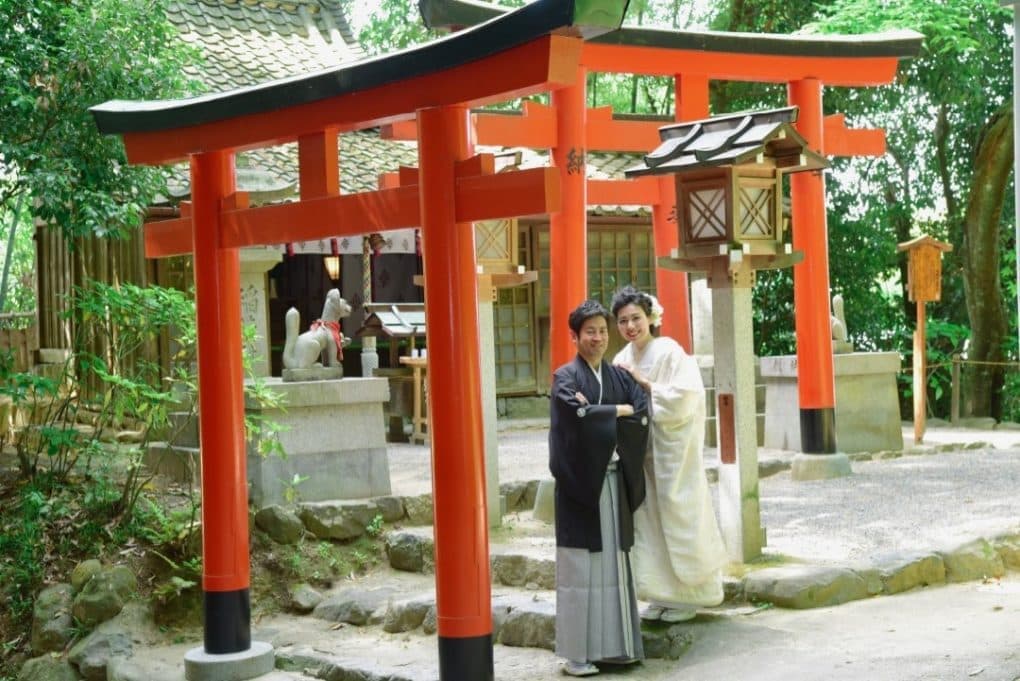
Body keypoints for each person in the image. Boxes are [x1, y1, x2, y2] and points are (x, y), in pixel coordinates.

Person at [610, 285, 728, 623]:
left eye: (636, 318)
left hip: (671, 452)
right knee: (648, 521)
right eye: (622, 321)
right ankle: (663, 594)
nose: (630, 326)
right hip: (641, 454)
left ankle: (691, 596)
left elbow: (686, 397)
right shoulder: (621, 359)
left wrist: (645, 384)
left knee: (680, 513)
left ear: (650, 318)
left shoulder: (669, 351)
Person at [549, 299, 650, 677]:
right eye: (590, 331)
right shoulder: (565, 378)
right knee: (581, 571)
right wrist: (617, 411)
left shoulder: (619, 376)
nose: (598, 338)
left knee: (614, 565)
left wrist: (605, 411)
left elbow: (640, 409)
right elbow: (575, 416)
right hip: (581, 487)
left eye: (603, 331)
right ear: (574, 336)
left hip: (613, 483)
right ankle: (576, 655)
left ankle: (616, 647)